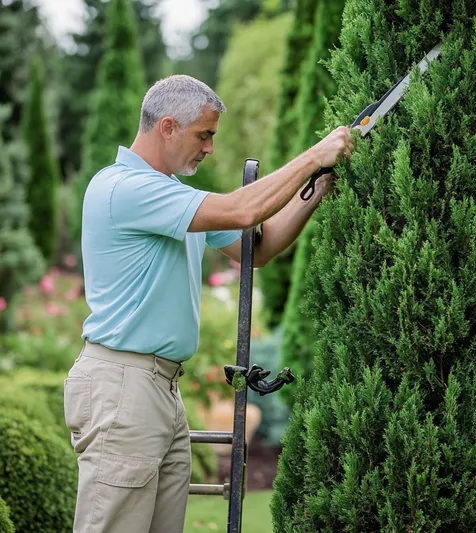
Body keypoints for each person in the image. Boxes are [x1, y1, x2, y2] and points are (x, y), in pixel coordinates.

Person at [63, 74, 353, 533]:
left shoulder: (172, 195)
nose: (210, 148)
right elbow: (242, 210)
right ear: (168, 127)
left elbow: (255, 248)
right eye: (204, 134)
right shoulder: (123, 188)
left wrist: (319, 185)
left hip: (159, 388)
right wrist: (314, 155)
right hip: (123, 386)